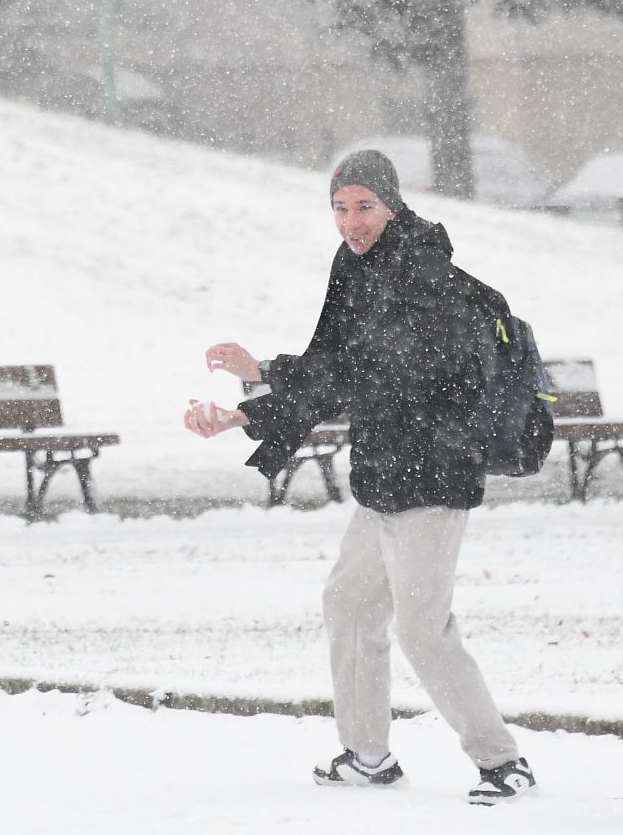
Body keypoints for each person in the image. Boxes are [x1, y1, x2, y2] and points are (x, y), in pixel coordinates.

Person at [183, 149, 535, 807]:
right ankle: (368, 754)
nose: (351, 221)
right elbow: (332, 363)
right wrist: (250, 391)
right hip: (384, 476)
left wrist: (252, 394)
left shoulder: (419, 269)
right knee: (349, 605)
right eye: (340, 208)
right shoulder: (357, 266)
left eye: (364, 206)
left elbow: (373, 372)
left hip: (431, 474)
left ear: (393, 204)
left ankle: (502, 762)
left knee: (422, 630)